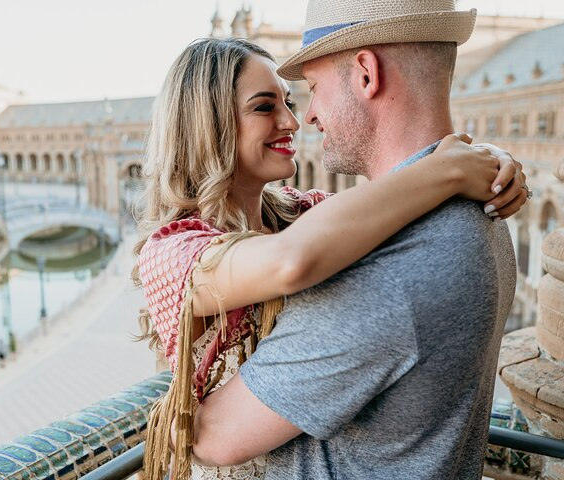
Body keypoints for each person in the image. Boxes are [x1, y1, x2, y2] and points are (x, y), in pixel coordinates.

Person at [135, 34, 526, 480]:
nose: (292, 121)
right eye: (265, 107)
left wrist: (490, 159)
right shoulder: (173, 251)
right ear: (209, 124)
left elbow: (379, 205)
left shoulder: (301, 213)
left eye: (290, 101)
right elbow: (290, 261)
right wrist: (449, 167)